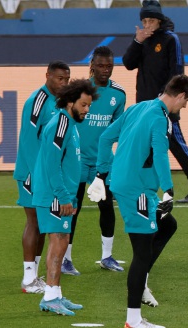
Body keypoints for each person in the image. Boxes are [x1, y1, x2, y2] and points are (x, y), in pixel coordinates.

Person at [92, 74, 188, 328]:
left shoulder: (138, 107)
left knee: (168, 225)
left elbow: (106, 138)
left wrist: (100, 174)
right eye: (185, 103)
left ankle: (143, 282)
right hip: (137, 190)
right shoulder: (160, 119)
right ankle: (133, 320)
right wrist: (169, 190)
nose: (184, 108)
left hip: (129, 184)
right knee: (141, 253)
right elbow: (161, 154)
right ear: (181, 95)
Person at [122, 0, 188, 204]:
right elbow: (127, 63)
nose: (147, 24)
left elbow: (177, 71)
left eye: (151, 20)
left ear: (159, 20)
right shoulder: (142, 39)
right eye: (144, 20)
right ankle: (138, 188)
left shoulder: (171, 39)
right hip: (144, 105)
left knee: (176, 143)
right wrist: (137, 41)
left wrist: (168, 100)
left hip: (165, 106)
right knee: (144, 145)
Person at [33, 79, 98, 316]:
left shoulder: (69, 123)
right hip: (54, 196)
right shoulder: (61, 123)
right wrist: (62, 196)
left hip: (62, 194)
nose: (86, 110)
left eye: (89, 105)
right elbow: (52, 162)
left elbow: (68, 163)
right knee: (59, 242)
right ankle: (50, 296)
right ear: (70, 102)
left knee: (62, 241)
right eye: (83, 104)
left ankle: (56, 293)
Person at [63, 46, 127, 276]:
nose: (105, 70)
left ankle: (107, 257)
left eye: (109, 66)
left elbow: (119, 129)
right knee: (73, 208)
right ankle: (66, 259)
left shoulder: (118, 94)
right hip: (77, 160)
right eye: (100, 65)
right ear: (92, 65)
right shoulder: (78, 91)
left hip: (103, 162)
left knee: (106, 205)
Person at [14, 61, 70, 294]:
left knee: (43, 224)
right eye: (59, 79)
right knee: (35, 222)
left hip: (43, 174)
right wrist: (36, 175)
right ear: (47, 76)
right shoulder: (37, 101)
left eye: (66, 79)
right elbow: (28, 140)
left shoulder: (59, 103)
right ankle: (28, 279)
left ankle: (34, 276)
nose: (63, 83)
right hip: (32, 173)